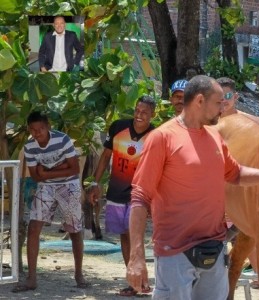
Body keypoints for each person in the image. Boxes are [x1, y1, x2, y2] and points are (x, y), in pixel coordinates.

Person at [126, 75, 259, 298]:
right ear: (200, 101)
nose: (222, 109)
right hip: (175, 252)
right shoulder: (162, 138)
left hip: (213, 251)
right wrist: (136, 256)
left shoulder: (215, 136)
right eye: (218, 103)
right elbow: (140, 197)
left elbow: (236, 174)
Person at [13, 111, 89, 293]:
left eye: (40, 129)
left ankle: (79, 274)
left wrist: (46, 172)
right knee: (33, 228)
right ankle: (32, 278)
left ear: (48, 126)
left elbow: (75, 169)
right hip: (45, 187)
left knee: (75, 229)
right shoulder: (30, 147)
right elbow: (35, 176)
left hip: (68, 186)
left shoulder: (63, 140)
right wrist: (60, 168)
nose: (37, 133)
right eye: (33, 130)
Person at [88, 96, 156, 297]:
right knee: (125, 236)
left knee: (136, 236)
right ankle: (133, 280)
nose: (139, 115)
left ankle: (142, 281)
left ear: (152, 114)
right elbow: (105, 157)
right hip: (116, 192)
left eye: (144, 112)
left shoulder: (156, 135)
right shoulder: (118, 127)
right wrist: (94, 183)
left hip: (140, 195)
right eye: (137, 110)